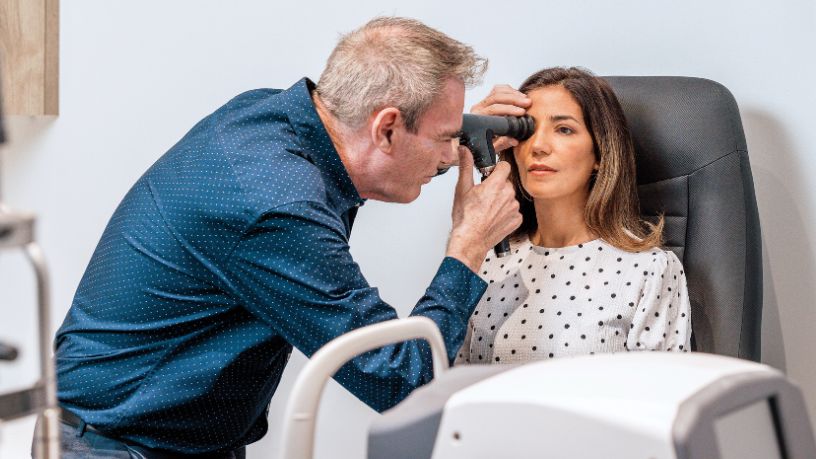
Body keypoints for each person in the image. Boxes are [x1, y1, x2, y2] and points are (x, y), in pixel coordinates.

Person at [48, 17, 521, 458]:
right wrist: (468, 245)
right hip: (117, 445)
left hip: (144, 430)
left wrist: (448, 127)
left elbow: (369, 164)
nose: (449, 156)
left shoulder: (269, 116)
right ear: (387, 128)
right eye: (444, 138)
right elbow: (404, 382)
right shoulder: (277, 206)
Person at [455, 67, 691, 365]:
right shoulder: (482, 259)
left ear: (600, 153)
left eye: (564, 129)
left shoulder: (648, 270)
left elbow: (663, 390)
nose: (538, 146)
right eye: (526, 130)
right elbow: (446, 375)